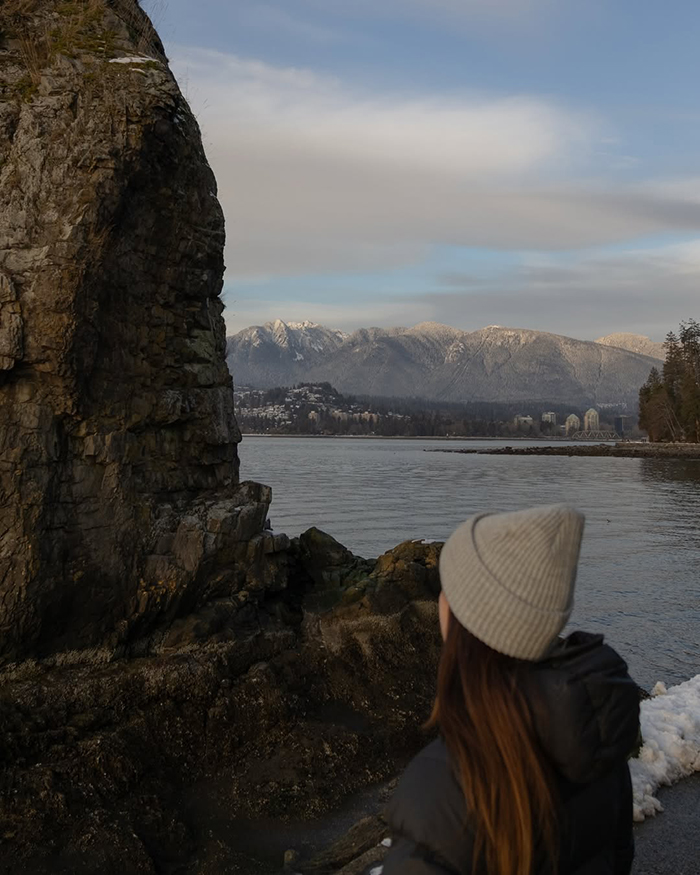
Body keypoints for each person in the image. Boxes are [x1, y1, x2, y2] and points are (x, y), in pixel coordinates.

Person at [382, 504, 640, 875]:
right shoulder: (599, 739)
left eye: (448, 589)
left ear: (469, 619)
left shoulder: (439, 792)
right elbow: (618, 858)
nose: (440, 599)